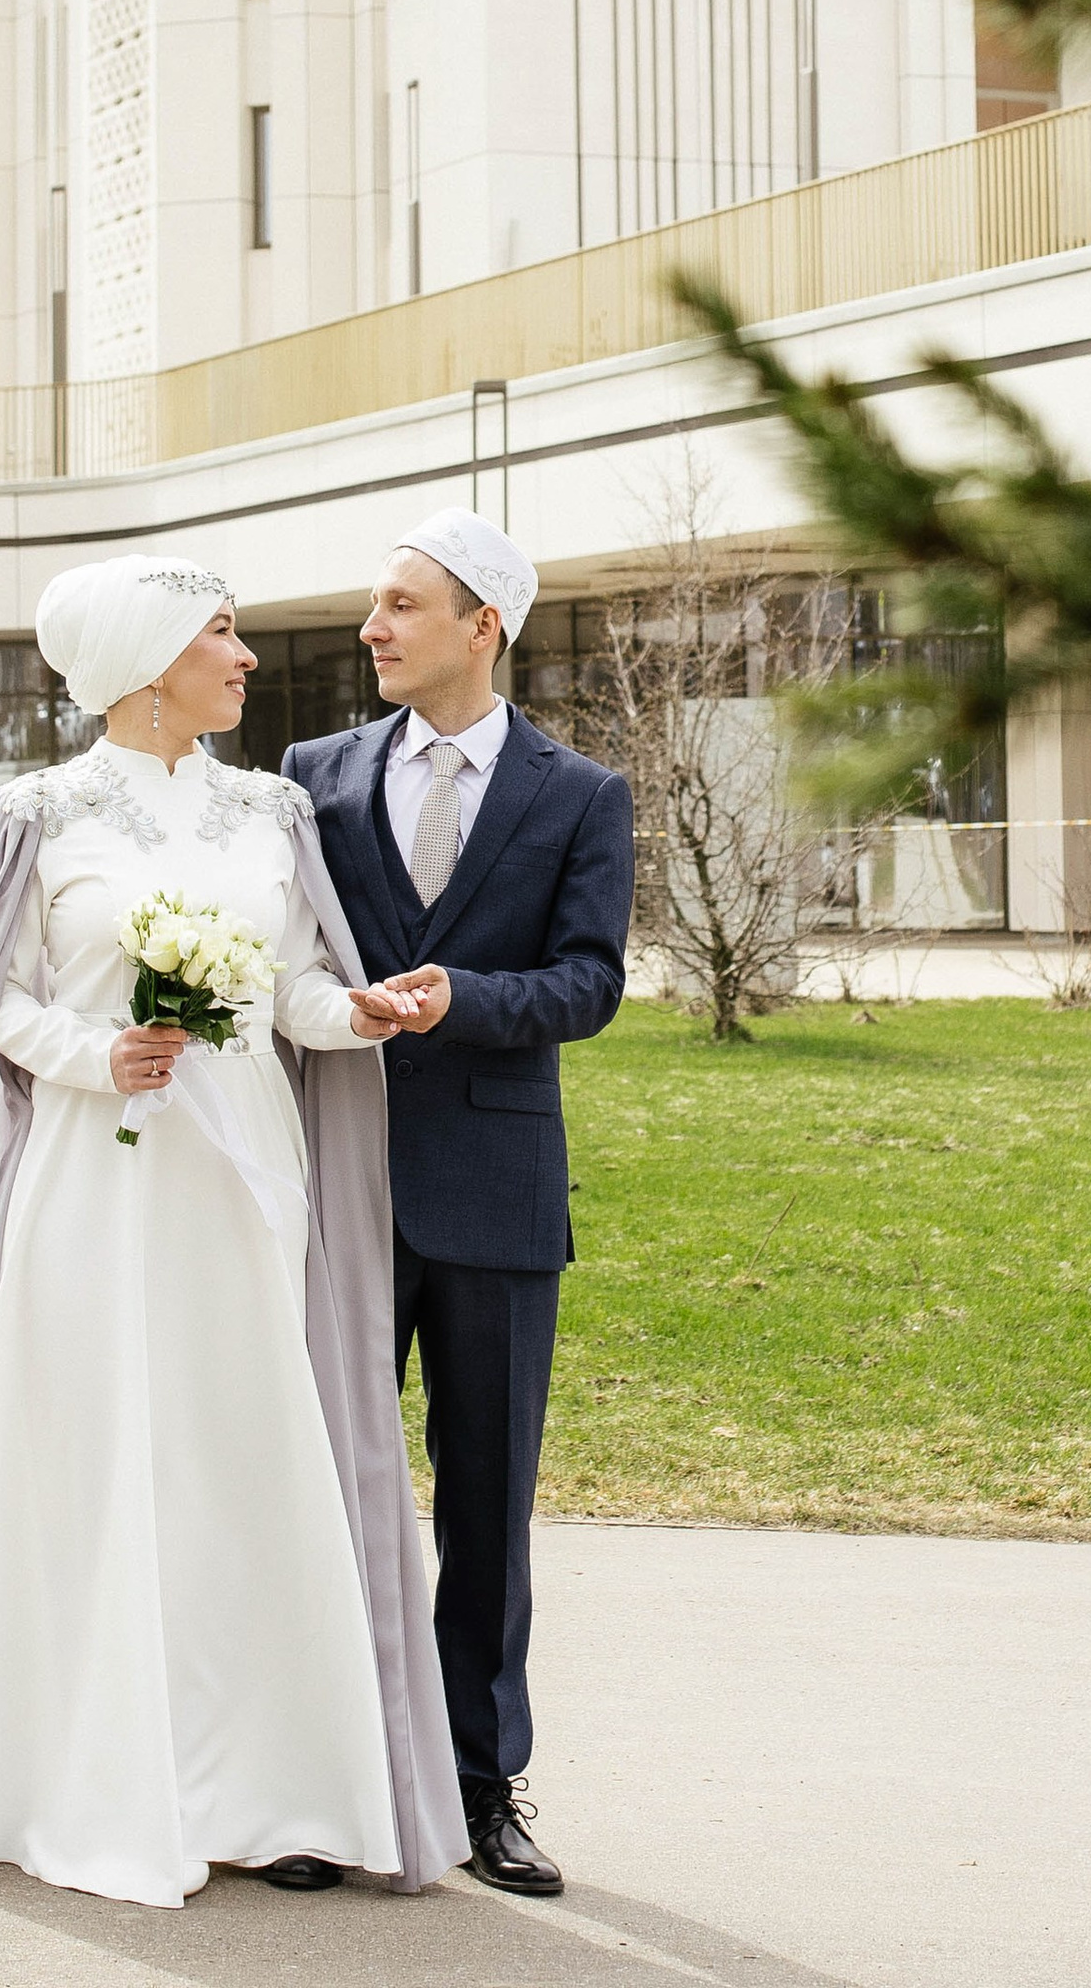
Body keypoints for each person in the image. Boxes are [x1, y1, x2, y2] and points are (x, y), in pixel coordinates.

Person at [0, 554, 465, 1909]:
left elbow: (297, 981)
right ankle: (80, 1773)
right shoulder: (37, 816)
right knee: (102, 1455)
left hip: (245, 1184)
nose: (246, 658)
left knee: (242, 1456)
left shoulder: (273, 810)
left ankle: (279, 1787)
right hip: (97, 1182)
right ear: (149, 658)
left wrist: (352, 1013)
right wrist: (91, 1052)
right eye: (223, 633)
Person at [283, 508, 636, 1900]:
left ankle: (485, 1789)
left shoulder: (578, 794)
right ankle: (320, 1783)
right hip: (343, 1193)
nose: (371, 627)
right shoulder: (311, 774)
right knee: (329, 1497)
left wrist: (464, 998)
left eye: (399, 604)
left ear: (482, 623)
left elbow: (590, 983)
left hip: (495, 1194)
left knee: (488, 1503)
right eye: (374, 605)